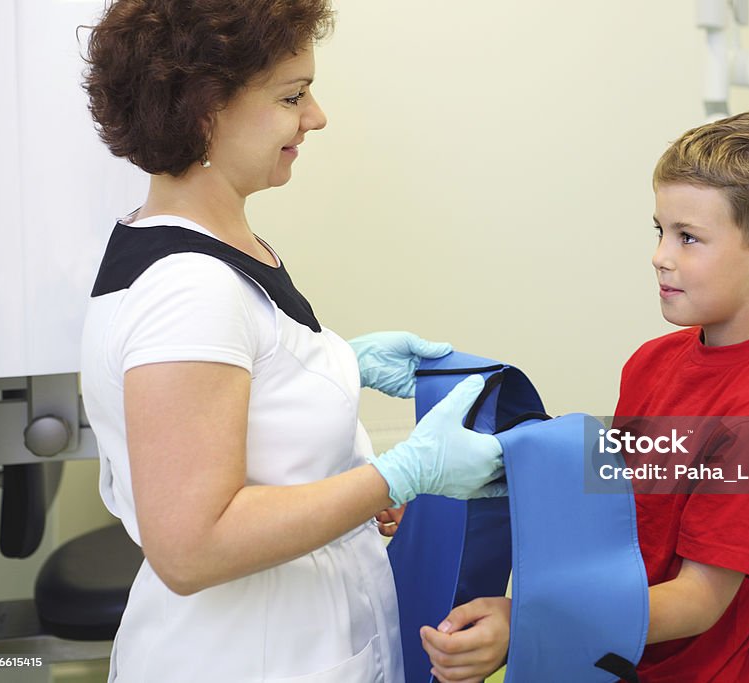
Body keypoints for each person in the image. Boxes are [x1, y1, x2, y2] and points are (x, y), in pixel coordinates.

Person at [79, 2, 505, 681]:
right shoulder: (192, 291)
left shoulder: (210, 247)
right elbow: (191, 547)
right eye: (291, 96)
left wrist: (333, 367)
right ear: (204, 109)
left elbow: (240, 411)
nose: (315, 116)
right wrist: (395, 475)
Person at [422, 110, 749, 682]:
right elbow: (614, 505)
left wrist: (533, 622)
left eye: (689, 237)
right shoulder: (653, 362)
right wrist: (458, 477)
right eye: (659, 230)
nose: (661, 255)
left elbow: (698, 599)